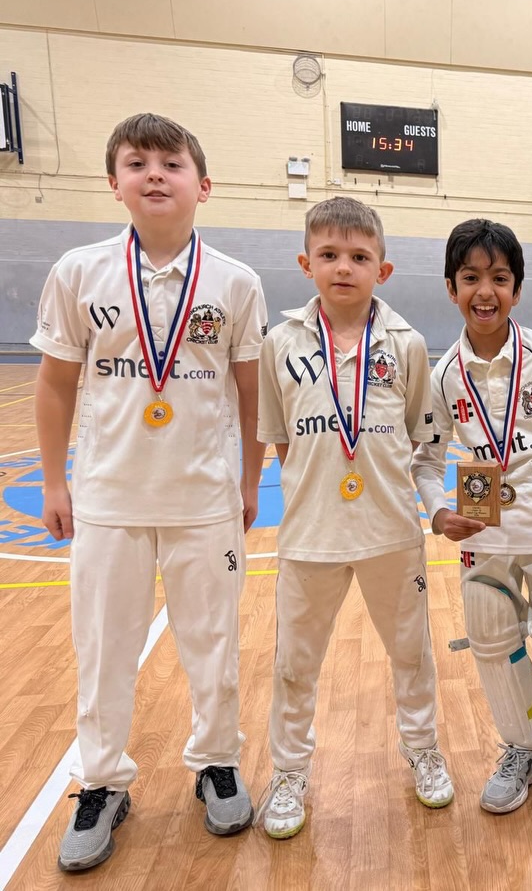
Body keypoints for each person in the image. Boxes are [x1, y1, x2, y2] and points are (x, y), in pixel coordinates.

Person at [32, 113, 266, 871]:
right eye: (138, 163)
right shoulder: (78, 271)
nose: (155, 174)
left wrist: (250, 478)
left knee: (214, 649)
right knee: (103, 652)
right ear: (115, 184)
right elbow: (55, 382)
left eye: (171, 162)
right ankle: (101, 781)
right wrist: (55, 480)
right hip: (107, 500)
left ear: (204, 185)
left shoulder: (235, 282)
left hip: (203, 503)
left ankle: (216, 763)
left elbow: (249, 390)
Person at [256, 197, 454, 839]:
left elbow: (426, 437)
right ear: (305, 263)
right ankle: (289, 772)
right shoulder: (279, 343)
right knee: (295, 663)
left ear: (384, 270)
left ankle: (423, 749)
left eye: (360, 257)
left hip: (391, 532)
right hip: (310, 536)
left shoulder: (407, 345)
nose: (344, 267)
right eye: (330, 255)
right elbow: (283, 442)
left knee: (411, 654)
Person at [412, 218, 532, 834]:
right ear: (450, 287)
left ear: (517, 289)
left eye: (499, 278)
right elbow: (428, 459)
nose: (484, 291)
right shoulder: (444, 375)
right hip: (485, 533)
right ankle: (522, 749)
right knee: (491, 635)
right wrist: (439, 511)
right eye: (471, 278)